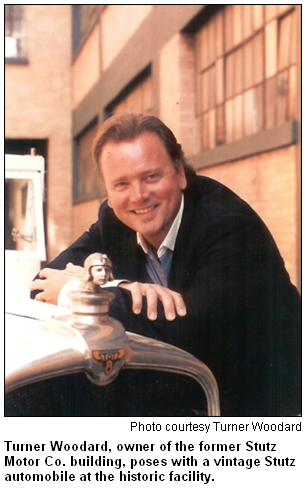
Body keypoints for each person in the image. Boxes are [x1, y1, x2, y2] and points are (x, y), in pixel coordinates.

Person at [26, 113, 300, 417]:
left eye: (151, 177)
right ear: (109, 192)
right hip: (183, 400)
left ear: (180, 173)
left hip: (264, 414)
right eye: (121, 184)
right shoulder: (115, 219)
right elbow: (42, 284)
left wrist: (80, 293)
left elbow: (189, 330)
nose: (138, 195)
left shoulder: (229, 225)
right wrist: (122, 287)